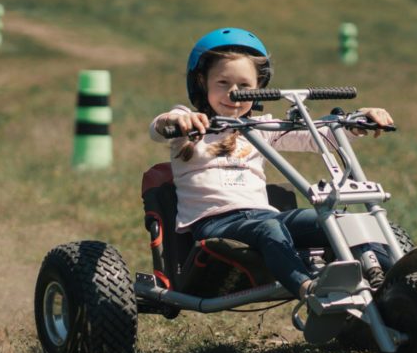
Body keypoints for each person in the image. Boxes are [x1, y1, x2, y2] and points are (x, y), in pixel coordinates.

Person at [149, 27, 394, 298]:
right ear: (201, 82)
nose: (233, 93)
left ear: (259, 89)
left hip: (264, 215)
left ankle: (391, 274)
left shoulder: (260, 127)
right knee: (269, 227)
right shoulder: (190, 123)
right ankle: (308, 288)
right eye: (222, 83)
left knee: (337, 220)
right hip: (215, 223)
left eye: (244, 86)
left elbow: (318, 138)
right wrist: (175, 121)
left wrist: (358, 120)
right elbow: (159, 126)